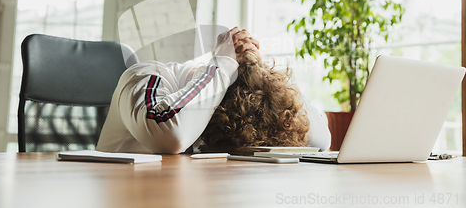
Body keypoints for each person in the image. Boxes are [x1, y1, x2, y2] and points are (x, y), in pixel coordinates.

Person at [96, 27, 331, 154]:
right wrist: (221, 65)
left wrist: (264, 74)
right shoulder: (144, 76)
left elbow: (321, 140)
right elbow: (172, 136)